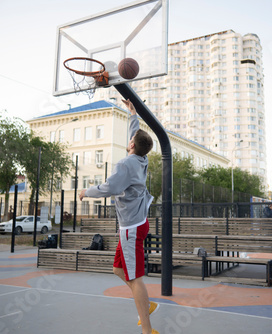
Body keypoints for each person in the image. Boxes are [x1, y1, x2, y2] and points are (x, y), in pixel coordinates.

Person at [79, 99, 159, 334]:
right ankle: (146, 302)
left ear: (131, 145)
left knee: (135, 278)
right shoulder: (141, 158)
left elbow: (109, 188)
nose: (129, 140)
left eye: (130, 139)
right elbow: (137, 135)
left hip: (132, 228)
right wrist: (132, 113)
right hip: (135, 223)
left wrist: (86, 192)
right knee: (117, 270)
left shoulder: (125, 164)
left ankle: (147, 330)